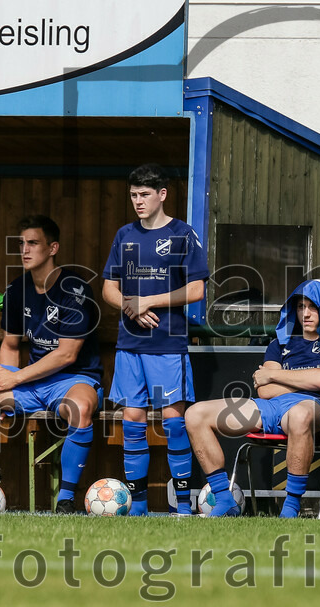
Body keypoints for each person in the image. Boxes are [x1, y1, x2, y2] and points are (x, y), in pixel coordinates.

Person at [0, 215, 102, 514]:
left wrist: (12, 381)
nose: (25, 250)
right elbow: (10, 345)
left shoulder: (75, 289)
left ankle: (65, 499)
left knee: (80, 409)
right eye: (21, 244)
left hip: (72, 379)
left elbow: (66, 355)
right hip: (29, 381)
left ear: (52, 248)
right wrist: (0, 390)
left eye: (33, 243)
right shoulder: (17, 290)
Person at [185, 279, 320, 517]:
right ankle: (225, 501)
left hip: (316, 410)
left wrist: (279, 376)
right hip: (272, 407)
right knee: (195, 414)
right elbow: (265, 390)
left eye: (313, 307)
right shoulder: (281, 342)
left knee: (300, 414)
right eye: (300, 307)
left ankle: (290, 507)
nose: (305, 314)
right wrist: (317, 383)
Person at [102, 164, 209, 516]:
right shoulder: (125, 235)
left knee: (173, 421)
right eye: (133, 195)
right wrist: (131, 306)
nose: (138, 201)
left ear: (162, 194)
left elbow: (196, 289)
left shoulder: (182, 234)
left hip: (167, 344)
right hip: (130, 345)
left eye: (145, 194)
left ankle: (182, 505)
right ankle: (139, 507)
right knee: (132, 420)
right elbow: (108, 289)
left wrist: (151, 301)